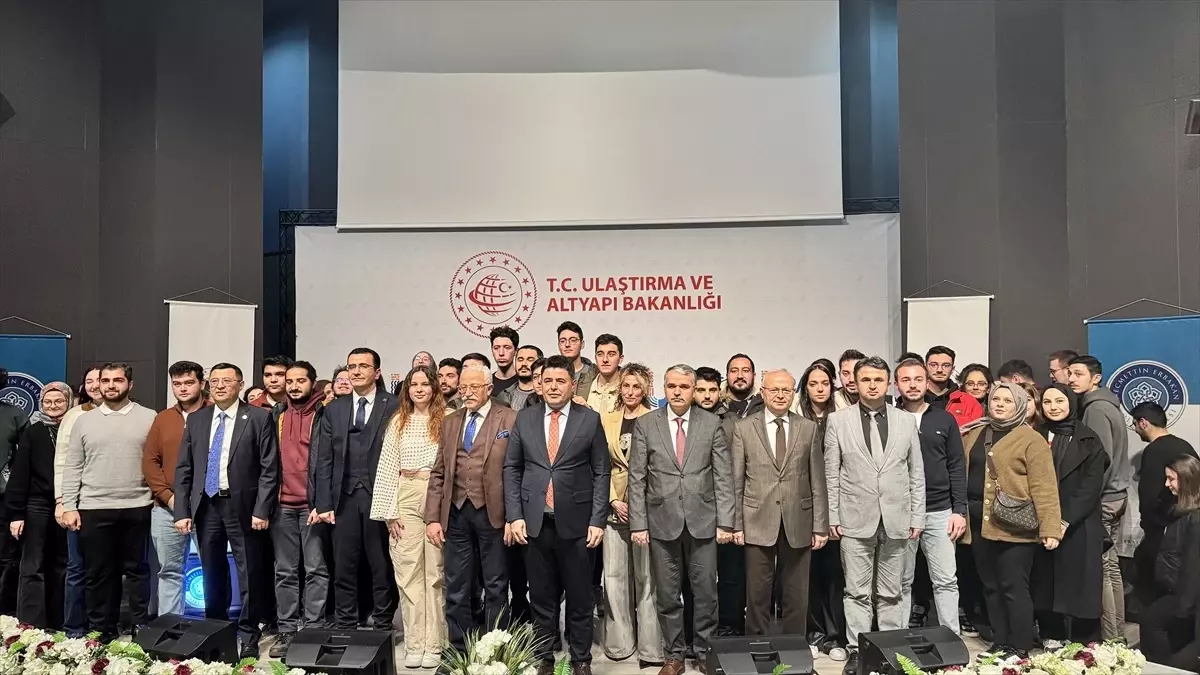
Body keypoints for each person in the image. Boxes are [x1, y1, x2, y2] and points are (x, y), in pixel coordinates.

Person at [504, 354, 609, 675]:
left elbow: (601, 471)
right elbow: (512, 468)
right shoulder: (525, 418)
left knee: (580, 598)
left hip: (578, 525)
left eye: (560, 381)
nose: (552, 386)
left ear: (572, 384)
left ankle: (581, 660)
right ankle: (544, 659)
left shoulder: (589, 419)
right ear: (540, 383)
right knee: (541, 598)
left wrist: (597, 520)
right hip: (535, 524)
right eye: (547, 380)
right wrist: (515, 515)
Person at [628, 365, 732, 675]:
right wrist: (639, 524)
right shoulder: (647, 424)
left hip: (704, 522)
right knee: (668, 595)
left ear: (693, 390)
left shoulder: (711, 423)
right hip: (661, 523)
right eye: (672, 386)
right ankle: (673, 655)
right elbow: (637, 477)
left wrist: (726, 522)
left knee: (706, 594)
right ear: (664, 388)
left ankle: (704, 652)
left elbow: (723, 476)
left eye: (684, 387)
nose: (677, 392)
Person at [823, 356, 924, 674]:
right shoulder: (838, 421)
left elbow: (916, 473)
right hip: (854, 517)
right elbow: (831, 473)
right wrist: (832, 516)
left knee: (892, 592)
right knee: (856, 591)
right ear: (855, 382)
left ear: (889, 383)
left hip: (897, 518)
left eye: (878, 380)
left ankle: (892, 651)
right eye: (865, 379)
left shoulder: (905, 421)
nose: (872, 385)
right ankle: (857, 650)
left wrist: (917, 516)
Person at [174, 363, 279, 658]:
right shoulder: (197, 419)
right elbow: (184, 468)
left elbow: (269, 468)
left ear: (240, 384)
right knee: (211, 572)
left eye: (227, 381)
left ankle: (249, 634)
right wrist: (182, 510)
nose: (220, 386)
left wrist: (262, 509)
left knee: (249, 573)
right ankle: (215, 632)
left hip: (243, 506)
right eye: (215, 381)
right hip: (206, 506)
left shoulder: (258, 417)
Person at [961, 382, 1061, 658]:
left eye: (1008, 400)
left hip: (1015, 525)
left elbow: (1045, 486)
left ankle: (1020, 646)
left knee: (1013, 587)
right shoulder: (976, 432)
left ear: (1019, 405)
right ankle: (1001, 642)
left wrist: (1050, 527)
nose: (1000, 404)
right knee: (991, 587)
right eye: (996, 399)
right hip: (979, 524)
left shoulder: (1031, 439)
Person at [425, 363, 518, 658]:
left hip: (494, 513)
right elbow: (439, 471)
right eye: (463, 387)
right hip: (456, 513)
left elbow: (517, 470)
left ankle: (495, 652)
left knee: (496, 585)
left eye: (474, 387)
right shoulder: (451, 421)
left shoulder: (509, 418)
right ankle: (458, 649)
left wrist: (514, 516)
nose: (467, 392)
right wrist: (432, 518)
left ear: (489, 388)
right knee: (456, 585)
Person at [60, 363, 155, 642]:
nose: (111, 385)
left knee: (138, 571)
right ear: (98, 384)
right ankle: (102, 630)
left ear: (130, 385)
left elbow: (157, 461)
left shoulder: (149, 417)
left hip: (138, 505)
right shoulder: (83, 421)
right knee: (98, 574)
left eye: (118, 380)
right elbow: (72, 465)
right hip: (93, 507)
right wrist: (69, 505)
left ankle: (140, 628)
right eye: (106, 380)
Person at [732, 369, 827, 638]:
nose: (780, 395)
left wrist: (820, 526)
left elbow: (817, 480)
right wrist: (736, 524)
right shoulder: (743, 428)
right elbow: (736, 481)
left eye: (786, 390)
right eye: (774, 389)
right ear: (763, 393)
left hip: (799, 520)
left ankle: (794, 647)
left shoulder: (807, 428)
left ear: (794, 393)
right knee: (757, 594)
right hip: (756, 519)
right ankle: (758, 648)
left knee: (797, 594)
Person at [314, 348, 398, 630]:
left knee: (381, 565)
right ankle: (346, 623)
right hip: (344, 498)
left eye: (363, 366)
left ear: (377, 372)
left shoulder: (394, 405)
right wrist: (323, 503)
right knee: (344, 565)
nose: (357, 371)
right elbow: (324, 459)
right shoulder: (334, 408)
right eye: (352, 366)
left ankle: (383, 623)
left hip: (380, 496)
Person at [371, 366, 448, 668]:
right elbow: (387, 467)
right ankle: (415, 643)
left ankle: (435, 643)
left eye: (424, 383)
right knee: (408, 572)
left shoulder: (448, 418)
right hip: (406, 492)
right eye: (413, 384)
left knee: (435, 573)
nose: (418, 389)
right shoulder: (398, 421)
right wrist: (390, 513)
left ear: (434, 387)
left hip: (436, 493)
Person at [1032, 384, 1108, 646]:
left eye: (1059, 401)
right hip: (1042, 520)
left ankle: (1086, 644)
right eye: (1047, 402)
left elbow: (1090, 487)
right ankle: (1051, 636)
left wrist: (1064, 521)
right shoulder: (1035, 435)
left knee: (1081, 585)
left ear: (1071, 403)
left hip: (1079, 522)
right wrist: (1049, 521)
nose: (1053, 407)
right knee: (1045, 583)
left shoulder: (1089, 439)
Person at [894, 358, 965, 634]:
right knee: (901, 581)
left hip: (940, 511)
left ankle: (952, 638)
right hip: (901, 512)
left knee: (946, 580)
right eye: (906, 380)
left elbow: (956, 466)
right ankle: (898, 639)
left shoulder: (944, 419)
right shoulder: (890, 418)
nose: (912, 385)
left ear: (927, 383)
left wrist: (959, 510)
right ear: (897, 384)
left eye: (918, 379)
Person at [598, 363, 662, 667]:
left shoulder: (656, 420)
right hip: (613, 509)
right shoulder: (606, 420)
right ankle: (619, 642)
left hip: (647, 509)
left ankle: (651, 647)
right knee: (613, 577)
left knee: (647, 578)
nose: (631, 392)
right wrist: (613, 499)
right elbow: (599, 464)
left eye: (637, 387)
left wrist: (640, 504)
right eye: (626, 386)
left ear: (646, 389)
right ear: (619, 388)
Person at [1066, 354, 1132, 640]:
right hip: (1116, 495)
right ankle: (1117, 634)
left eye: (1078, 374)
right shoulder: (1108, 404)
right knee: (1110, 566)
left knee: (1101, 569)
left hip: (1104, 499)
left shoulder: (1095, 408)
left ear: (1096, 378)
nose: (1071, 379)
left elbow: (1099, 460)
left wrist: (1088, 499)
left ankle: (1110, 638)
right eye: (1070, 373)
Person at [267, 361, 329, 657]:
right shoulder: (276, 414)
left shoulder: (324, 413)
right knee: (285, 571)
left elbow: (329, 462)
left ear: (312, 383)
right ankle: (287, 631)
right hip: (281, 505)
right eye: (289, 381)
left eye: (300, 381)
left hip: (311, 506)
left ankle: (314, 629)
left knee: (316, 569)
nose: (293, 386)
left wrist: (323, 502)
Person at [142, 361, 207, 618]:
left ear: (202, 384)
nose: (182, 388)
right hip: (166, 508)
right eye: (177, 384)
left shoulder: (215, 415)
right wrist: (170, 499)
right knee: (169, 571)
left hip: (207, 507)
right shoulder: (163, 418)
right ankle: (169, 627)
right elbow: (150, 462)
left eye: (189, 383)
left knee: (213, 569)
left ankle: (215, 627)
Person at [7, 382, 71, 628]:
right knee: (33, 565)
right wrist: (16, 513)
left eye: (59, 401)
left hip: (68, 504)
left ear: (69, 402)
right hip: (37, 504)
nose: (53, 406)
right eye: (47, 402)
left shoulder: (75, 428)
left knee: (62, 563)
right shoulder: (33, 432)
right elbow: (20, 472)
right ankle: (30, 626)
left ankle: (59, 623)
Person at [798, 362, 847, 660]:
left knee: (834, 575)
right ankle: (813, 635)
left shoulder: (842, 418)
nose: (819, 389)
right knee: (807, 575)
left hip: (836, 506)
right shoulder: (796, 418)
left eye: (825, 383)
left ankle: (835, 636)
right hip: (802, 507)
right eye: (813, 383)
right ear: (805, 388)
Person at [1132, 402, 1198, 602]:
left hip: (1163, 534)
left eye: (1135, 424)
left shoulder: (1153, 451)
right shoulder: (1185, 445)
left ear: (1143, 423)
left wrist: (1150, 529)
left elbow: (1149, 497)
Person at [1139, 455, 1200, 668]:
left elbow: (1193, 566)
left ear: (1187, 480)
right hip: (1174, 590)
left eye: (1171, 479)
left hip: (1185, 595)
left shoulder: (1195, 518)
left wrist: (1184, 607)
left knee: (1152, 622)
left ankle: (1163, 667)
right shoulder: (1179, 511)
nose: (1167, 484)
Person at [54, 366, 101, 637]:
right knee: (77, 567)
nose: (96, 385)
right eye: (89, 381)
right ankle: (74, 629)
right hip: (77, 503)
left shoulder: (129, 414)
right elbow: (63, 462)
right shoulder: (74, 415)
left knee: (105, 569)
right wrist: (62, 501)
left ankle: (102, 628)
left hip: (111, 505)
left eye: (100, 380)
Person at [0, 368, 28, 617]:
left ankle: (4, 615)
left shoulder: (15, 415)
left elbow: (25, 459)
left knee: (4, 558)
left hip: (3, 498)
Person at [557, 322, 598, 400]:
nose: (567, 344)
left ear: (582, 344)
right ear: (558, 345)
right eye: (562, 341)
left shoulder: (595, 374)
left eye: (573, 340)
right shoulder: (550, 373)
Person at [586, 334, 625, 414]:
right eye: (600, 354)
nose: (605, 360)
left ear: (620, 359)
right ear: (595, 358)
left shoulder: (629, 389)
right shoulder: (585, 386)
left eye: (611, 354)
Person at [505, 345, 543, 412]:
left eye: (530, 359)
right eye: (520, 359)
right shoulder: (504, 395)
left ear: (539, 364)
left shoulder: (547, 395)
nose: (524, 364)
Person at [725, 354, 762, 419]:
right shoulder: (714, 403)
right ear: (727, 376)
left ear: (754, 376)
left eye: (745, 371)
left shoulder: (766, 404)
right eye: (734, 371)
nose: (740, 376)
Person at [489, 326, 521, 396]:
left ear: (516, 351)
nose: (501, 353)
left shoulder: (524, 381)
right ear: (492, 350)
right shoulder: (486, 383)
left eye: (507, 348)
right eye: (496, 348)